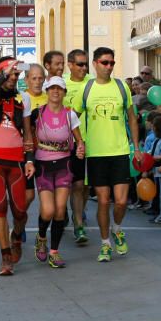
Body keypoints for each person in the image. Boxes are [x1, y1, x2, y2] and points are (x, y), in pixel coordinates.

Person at [72, 47, 140, 262]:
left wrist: (136, 147)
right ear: (95, 63)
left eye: (112, 63)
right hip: (96, 154)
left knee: (120, 202)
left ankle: (117, 229)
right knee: (103, 201)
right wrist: (79, 141)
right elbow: (73, 117)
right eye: (104, 62)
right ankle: (104, 244)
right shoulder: (87, 88)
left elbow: (131, 118)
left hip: (120, 151)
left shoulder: (121, 87)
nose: (109, 67)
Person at [24, 76, 85, 268]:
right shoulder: (38, 113)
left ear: (64, 92)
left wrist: (81, 148)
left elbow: (79, 140)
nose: (55, 92)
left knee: (60, 210)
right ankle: (42, 237)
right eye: (52, 89)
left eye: (59, 89)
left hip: (64, 165)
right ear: (47, 91)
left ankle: (54, 251)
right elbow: (27, 136)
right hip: (43, 165)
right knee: (48, 210)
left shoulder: (70, 115)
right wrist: (29, 160)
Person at [0, 58, 30, 276]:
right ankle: (5, 257)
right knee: (0, 207)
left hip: (17, 159)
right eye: (10, 74)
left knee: (20, 210)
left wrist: (30, 160)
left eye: (16, 75)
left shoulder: (23, 99)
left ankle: (17, 236)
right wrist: (3, 74)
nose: (13, 79)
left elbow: (28, 133)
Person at [64, 49, 92, 246]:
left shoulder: (93, 82)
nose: (84, 68)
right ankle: (78, 223)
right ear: (70, 65)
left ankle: (78, 213)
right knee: (76, 185)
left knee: (86, 187)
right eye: (80, 64)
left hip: (94, 141)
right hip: (70, 143)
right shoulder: (61, 83)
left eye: (85, 64)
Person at [21, 64, 48, 212]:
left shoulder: (51, 97)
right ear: (26, 80)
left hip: (48, 153)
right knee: (29, 195)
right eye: (34, 78)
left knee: (48, 195)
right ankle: (20, 226)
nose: (37, 82)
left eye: (40, 78)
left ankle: (43, 231)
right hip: (28, 152)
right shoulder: (21, 98)